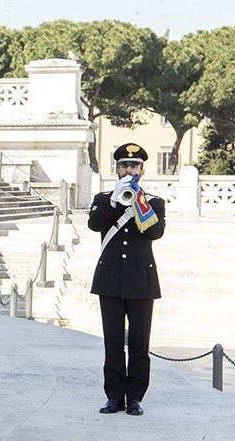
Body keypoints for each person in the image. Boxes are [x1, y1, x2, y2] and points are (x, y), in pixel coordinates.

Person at [88, 143, 166, 416]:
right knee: (112, 342)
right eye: (124, 165)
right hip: (109, 280)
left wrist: (139, 201)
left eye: (134, 166)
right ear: (117, 168)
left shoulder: (153, 202)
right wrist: (114, 200)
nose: (129, 169)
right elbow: (95, 225)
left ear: (142, 170)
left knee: (139, 343)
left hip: (141, 283)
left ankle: (134, 397)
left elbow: (155, 233)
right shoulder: (103, 199)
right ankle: (114, 396)